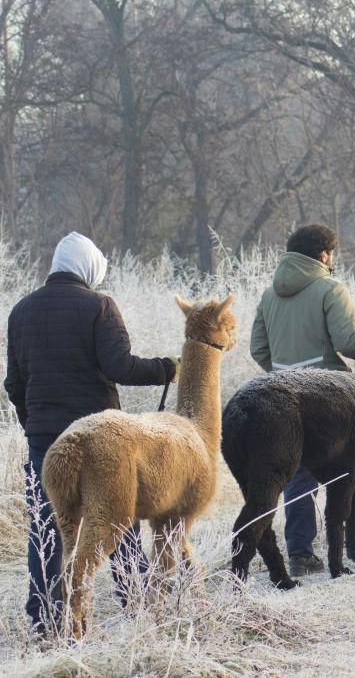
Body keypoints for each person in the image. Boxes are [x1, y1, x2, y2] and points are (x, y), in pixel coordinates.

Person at [4, 232, 178, 633]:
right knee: (119, 519)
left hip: (46, 440)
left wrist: (34, 425)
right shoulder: (99, 306)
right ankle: (137, 602)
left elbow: (14, 383)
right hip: (100, 439)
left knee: (47, 527)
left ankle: (46, 617)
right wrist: (167, 369)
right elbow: (121, 367)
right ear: (88, 267)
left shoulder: (20, 311)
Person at [250, 224, 355, 577]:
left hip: (283, 392)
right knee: (352, 463)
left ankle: (300, 553)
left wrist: (285, 373)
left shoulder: (270, 294)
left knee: (299, 473)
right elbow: (346, 341)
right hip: (331, 393)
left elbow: (258, 348)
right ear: (324, 254)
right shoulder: (331, 289)